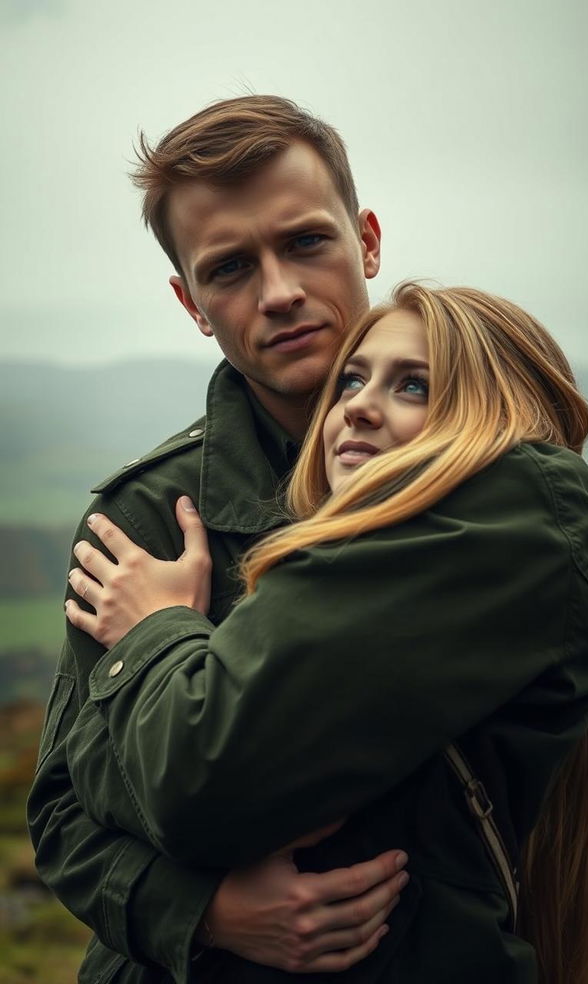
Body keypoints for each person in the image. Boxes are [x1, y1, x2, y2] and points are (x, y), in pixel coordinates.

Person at [63, 283, 588, 983]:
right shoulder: (366, 564)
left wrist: (158, 629)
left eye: (415, 387)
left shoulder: (499, 523)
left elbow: (194, 784)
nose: (358, 405)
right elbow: (71, 794)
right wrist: (205, 907)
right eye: (354, 380)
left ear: (495, 421)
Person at [27, 95, 412, 984]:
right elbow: (60, 809)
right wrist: (206, 914)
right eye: (231, 267)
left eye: (307, 242)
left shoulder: (489, 476)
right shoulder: (145, 519)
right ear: (190, 301)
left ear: (370, 241)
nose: (279, 292)